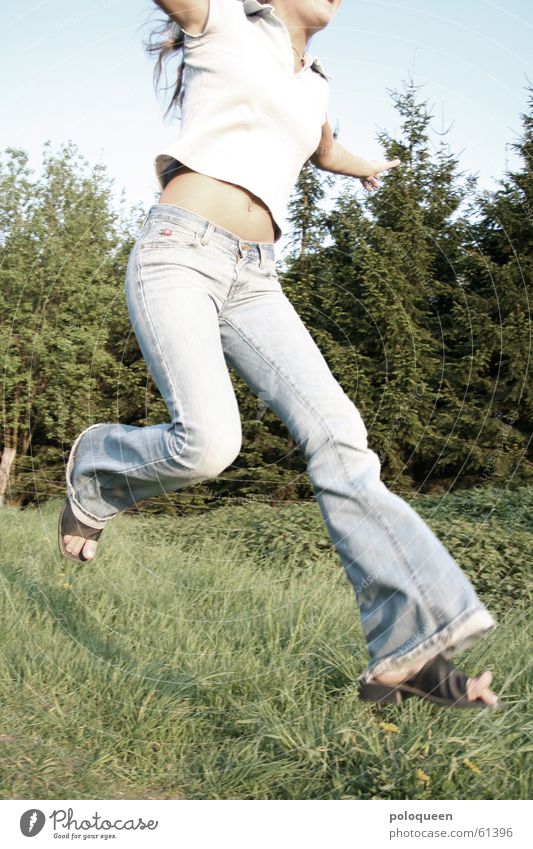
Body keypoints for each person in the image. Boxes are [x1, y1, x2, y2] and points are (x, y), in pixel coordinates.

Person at [58, 0, 504, 710]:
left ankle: (404, 647)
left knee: (341, 438)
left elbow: (320, 147)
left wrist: (364, 166)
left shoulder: (313, 82)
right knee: (209, 445)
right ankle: (97, 466)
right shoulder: (220, 22)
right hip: (179, 251)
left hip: (255, 278)